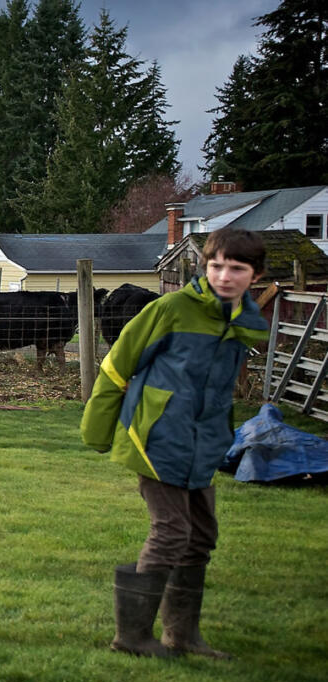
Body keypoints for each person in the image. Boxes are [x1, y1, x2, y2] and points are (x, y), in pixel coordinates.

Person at [80, 228, 269, 658]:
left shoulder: (243, 321)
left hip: (202, 444)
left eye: (236, 268)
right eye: (215, 265)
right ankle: (132, 636)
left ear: (255, 275)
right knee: (172, 531)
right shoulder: (172, 308)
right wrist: (97, 430)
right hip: (157, 437)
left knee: (201, 536)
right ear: (205, 265)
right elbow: (116, 365)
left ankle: (183, 635)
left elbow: (219, 389)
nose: (224, 276)